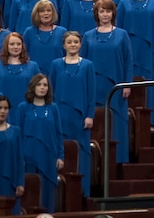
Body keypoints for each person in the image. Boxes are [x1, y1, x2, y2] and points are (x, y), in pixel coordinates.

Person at [80, 0, 133, 163]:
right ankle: (98, 162)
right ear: (96, 14)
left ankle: (118, 160)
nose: (105, 14)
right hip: (95, 86)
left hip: (117, 87)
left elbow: (128, 60)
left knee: (117, 123)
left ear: (113, 13)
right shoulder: (88, 36)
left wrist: (127, 84)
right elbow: (84, 64)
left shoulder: (122, 34)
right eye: (101, 11)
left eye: (108, 11)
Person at [49, 30, 95, 197]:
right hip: (60, 113)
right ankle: (60, 192)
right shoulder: (55, 65)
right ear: (64, 45)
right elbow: (51, 90)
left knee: (81, 151)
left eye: (76, 42)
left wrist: (90, 115)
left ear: (80, 44)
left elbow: (91, 92)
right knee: (60, 149)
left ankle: (82, 191)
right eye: (69, 42)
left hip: (81, 116)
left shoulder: (88, 65)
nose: (73, 45)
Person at [17, 74, 63, 213]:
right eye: (39, 85)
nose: (42, 88)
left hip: (49, 155)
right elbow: (18, 134)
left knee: (48, 190)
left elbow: (58, 133)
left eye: (45, 85)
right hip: (28, 155)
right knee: (31, 189)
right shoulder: (23, 107)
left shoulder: (53, 108)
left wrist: (60, 156)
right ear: (33, 87)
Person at [0, 32, 40, 123]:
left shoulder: (32, 66)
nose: (15, 47)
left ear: (23, 46)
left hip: (27, 109)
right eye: (12, 44)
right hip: (2, 111)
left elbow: (39, 90)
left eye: (18, 44)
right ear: (6, 46)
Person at [22, 0, 66, 77]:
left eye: (49, 10)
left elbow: (66, 55)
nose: (46, 13)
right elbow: (23, 54)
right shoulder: (29, 32)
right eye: (42, 11)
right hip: (34, 75)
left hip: (57, 74)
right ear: (37, 14)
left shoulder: (62, 32)